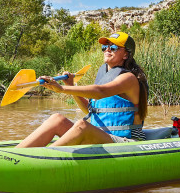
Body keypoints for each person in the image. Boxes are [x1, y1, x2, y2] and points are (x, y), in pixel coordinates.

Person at [16, 31, 149, 147]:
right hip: (102, 136)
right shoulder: (106, 75)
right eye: (105, 47)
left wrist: (61, 89)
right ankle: (15, 156)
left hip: (126, 141)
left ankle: (37, 160)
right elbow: (90, 111)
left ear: (126, 55)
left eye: (113, 47)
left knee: (82, 126)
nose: (107, 49)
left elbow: (100, 92)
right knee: (57, 119)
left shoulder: (128, 78)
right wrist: (70, 85)